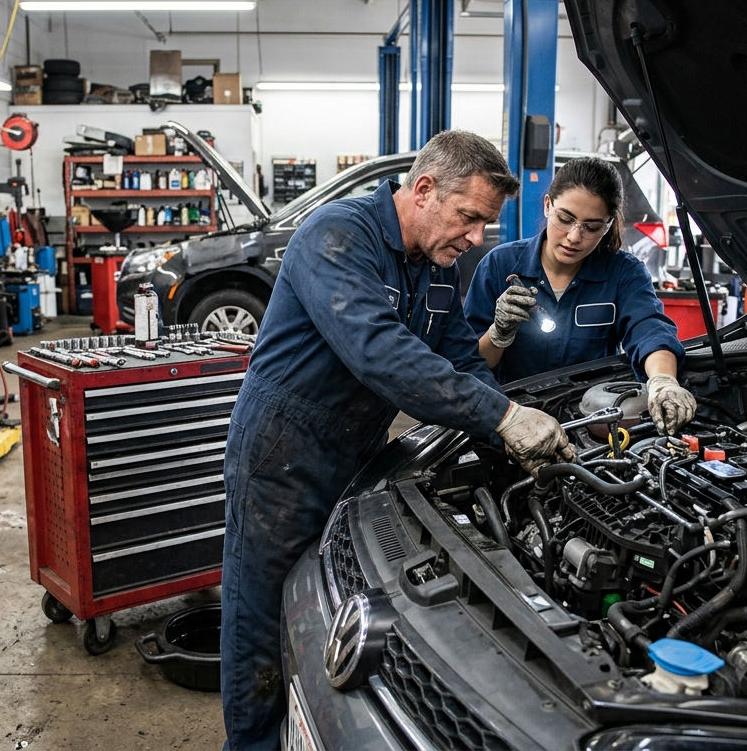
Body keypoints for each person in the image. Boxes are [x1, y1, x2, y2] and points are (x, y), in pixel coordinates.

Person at [220, 131, 575, 749]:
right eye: (469, 219)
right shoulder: (338, 236)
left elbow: (461, 358)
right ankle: (250, 743)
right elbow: (381, 354)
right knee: (261, 608)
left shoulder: (435, 268)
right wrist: (500, 418)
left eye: (484, 226)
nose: (475, 240)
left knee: (324, 604)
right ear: (423, 189)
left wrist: (526, 422)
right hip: (282, 452)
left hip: (357, 448)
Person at [464, 156, 696, 435]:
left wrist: (662, 380)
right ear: (548, 205)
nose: (574, 237)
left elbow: (649, 330)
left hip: (591, 423)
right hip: (512, 422)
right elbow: (471, 364)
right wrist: (498, 334)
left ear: (608, 225)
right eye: (565, 219)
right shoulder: (499, 266)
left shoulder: (623, 273)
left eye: (592, 227)